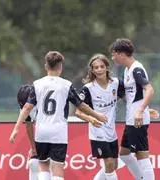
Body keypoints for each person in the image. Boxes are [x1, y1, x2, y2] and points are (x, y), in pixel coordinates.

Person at [9, 51, 107, 180]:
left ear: (46, 66)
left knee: (43, 165)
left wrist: (15, 129)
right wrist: (96, 115)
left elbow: (27, 108)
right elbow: (80, 105)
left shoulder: (37, 84)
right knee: (58, 167)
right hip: (58, 131)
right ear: (60, 66)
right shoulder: (66, 85)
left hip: (42, 131)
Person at [110, 38, 155, 180]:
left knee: (141, 154)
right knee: (124, 153)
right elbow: (133, 95)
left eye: (114, 54)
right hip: (132, 119)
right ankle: (140, 177)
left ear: (121, 54)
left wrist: (141, 110)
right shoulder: (127, 70)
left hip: (137, 120)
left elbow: (150, 89)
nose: (113, 57)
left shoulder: (136, 69)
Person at [74, 54, 125, 180]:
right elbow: (78, 112)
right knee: (108, 162)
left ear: (107, 67)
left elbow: (129, 100)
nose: (99, 70)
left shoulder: (116, 83)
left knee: (113, 165)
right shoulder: (88, 89)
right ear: (92, 70)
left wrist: (144, 110)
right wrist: (92, 119)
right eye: (96, 67)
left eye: (102, 66)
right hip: (97, 131)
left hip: (111, 131)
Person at [15, 84, 41, 180]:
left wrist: (38, 146)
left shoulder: (41, 106)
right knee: (33, 163)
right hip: (42, 132)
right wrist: (33, 147)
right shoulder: (25, 107)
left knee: (47, 164)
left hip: (54, 132)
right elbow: (29, 125)